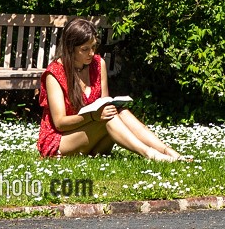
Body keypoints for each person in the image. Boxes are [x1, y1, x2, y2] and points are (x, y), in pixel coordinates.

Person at [38, 18, 184, 161]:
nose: (91, 53)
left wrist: (106, 110)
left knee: (121, 112)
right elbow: (60, 123)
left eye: (94, 47)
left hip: (92, 137)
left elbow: (104, 103)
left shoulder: (98, 63)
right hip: (61, 141)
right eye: (85, 49)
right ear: (70, 48)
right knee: (107, 116)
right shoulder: (55, 73)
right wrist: (93, 116)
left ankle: (170, 152)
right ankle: (150, 154)